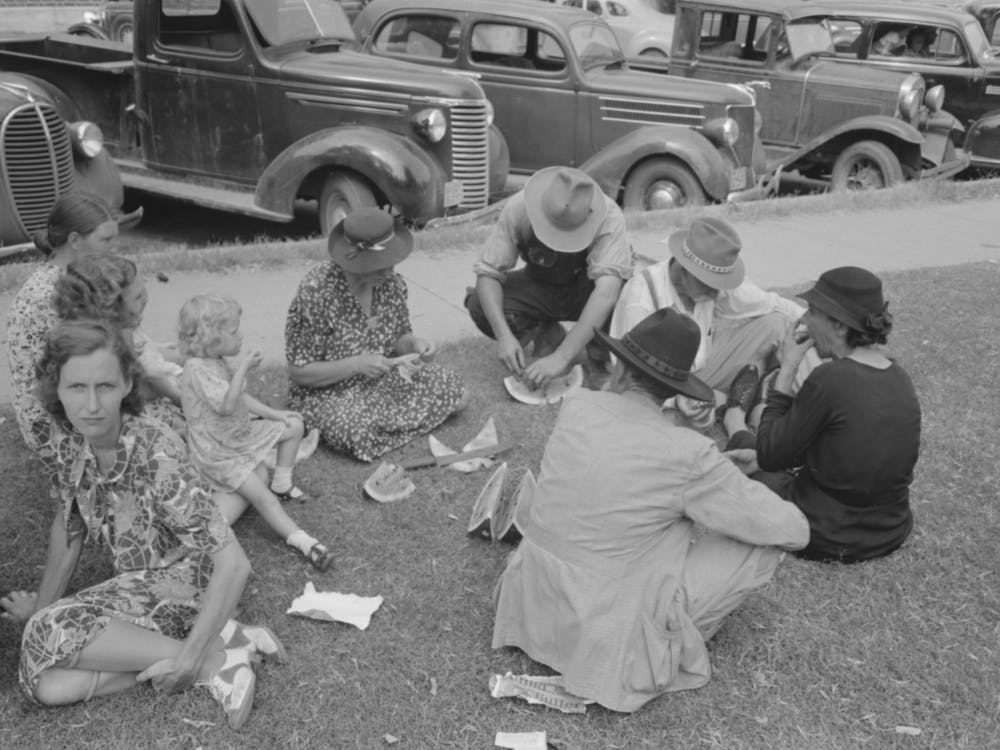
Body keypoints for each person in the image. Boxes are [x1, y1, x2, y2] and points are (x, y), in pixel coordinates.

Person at [491, 308, 809, 713]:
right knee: (761, 542)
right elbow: (793, 530)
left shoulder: (577, 407)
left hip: (531, 606)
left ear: (618, 364)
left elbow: (627, 453)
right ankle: (669, 642)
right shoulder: (688, 454)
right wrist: (739, 483)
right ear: (674, 387)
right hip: (607, 635)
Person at [0, 320, 281, 730]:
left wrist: (185, 663)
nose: (92, 404)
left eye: (106, 387)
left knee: (48, 630)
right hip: (141, 588)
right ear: (56, 388)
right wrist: (43, 606)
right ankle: (226, 641)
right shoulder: (68, 440)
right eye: (77, 387)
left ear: (128, 385)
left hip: (190, 582)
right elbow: (70, 528)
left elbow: (234, 564)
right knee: (47, 685)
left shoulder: (154, 449)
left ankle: (213, 661)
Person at [751, 267, 922, 563]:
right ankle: (739, 424)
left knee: (749, 467)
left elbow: (769, 454)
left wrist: (788, 367)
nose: (804, 319)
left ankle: (734, 416)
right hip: (890, 529)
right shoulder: (900, 376)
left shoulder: (830, 378)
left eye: (813, 311)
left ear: (840, 326)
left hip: (825, 532)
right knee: (750, 447)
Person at [285, 207, 465, 462]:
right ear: (355, 262)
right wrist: (356, 365)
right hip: (328, 393)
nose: (389, 272)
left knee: (457, 392)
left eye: (392, 263)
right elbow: (300, 372)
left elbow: (399, 337)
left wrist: (415, 344)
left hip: (382, 383)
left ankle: (387, 427)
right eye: (381, 266)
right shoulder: (316, 291)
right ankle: (392, 424)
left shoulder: (392, 284)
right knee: (354, 430)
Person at [177, 294, 334, 571]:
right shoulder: (196, 369)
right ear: (212, 338)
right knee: (264, 499)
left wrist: (276, 415)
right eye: (234, 331)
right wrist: (244, 370)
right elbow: (227, 405)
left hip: (238, 435)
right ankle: (305, 542)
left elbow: (242, 399)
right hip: (220, 452)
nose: (241, 336)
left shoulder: (217, 361)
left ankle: (282, 482)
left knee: (293, 426)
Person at [609, 217, 818, 421]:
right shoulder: (641, 299)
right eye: (710, 285)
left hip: (700, 369)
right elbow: (630, 378)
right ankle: (733, 402)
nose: (716, 293)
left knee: (776, 323)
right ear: (684, 271)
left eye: (719, 285)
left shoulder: (708, 288)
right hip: (660, 385)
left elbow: (770, 302)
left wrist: (815, 323)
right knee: (667, 413)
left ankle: (813, 397)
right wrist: (676, 402)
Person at [464, 166, 633, 387]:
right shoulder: (518, 207)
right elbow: (488, 274)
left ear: (589, 215)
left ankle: (597, 360)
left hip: (586, 291)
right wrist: (504, 336)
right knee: (478, 303)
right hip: (540, 285)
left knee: (623, 297)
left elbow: (606, 294)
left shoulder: (610, 218)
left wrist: (561, 358)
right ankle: (545, 333)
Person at [6, 192, 118, 450]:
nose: (114, 248)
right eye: (106, 239)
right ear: (75, 240)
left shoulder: (69, 277)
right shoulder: (51, 294)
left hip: (73, 399)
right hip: (54, 423)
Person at [53, 253, 184, 430]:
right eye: (137, 297)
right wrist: (176, 397)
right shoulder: (97, 352)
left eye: (143, 288)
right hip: (124, 422)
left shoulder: (117, 329)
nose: (146, 298)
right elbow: (136, 392)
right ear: (110, 310)